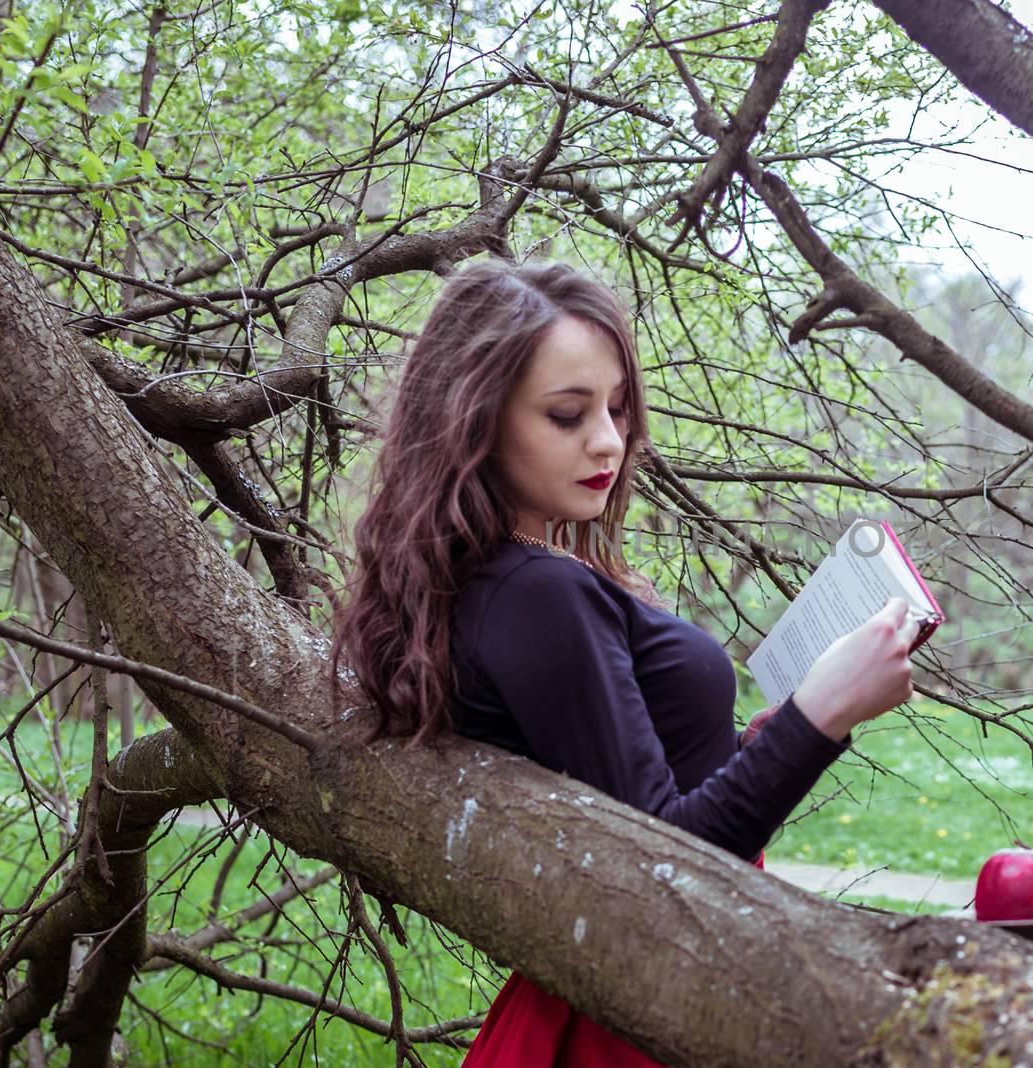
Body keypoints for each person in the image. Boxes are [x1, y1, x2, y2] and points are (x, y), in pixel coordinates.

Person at [331, 258, 917, 1066]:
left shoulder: (489, 579)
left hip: (617, 992)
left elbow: (622, 794)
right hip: (628, 1017)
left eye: (615, 406)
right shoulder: (538, 593)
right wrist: (822, 718)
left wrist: (758, 746)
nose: (608, 439)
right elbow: (662, 866)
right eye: (567, 415)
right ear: (476, 420)